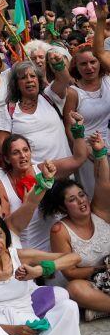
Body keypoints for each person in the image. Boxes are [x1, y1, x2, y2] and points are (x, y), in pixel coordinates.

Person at [43, 133, 110, 321]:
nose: (81, 201)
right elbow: (70, 273)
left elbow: (104, 183)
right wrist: (101, 269)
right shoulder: (60, 230)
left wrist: (100, 154)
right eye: (72, 199)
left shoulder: (99, 212)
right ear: (63, 207)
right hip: (89, 283)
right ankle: (100, 305)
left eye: (81, 195)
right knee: (74, 289)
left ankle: (100, 309)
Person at [0, 119, 89, 251]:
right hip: (27, 250)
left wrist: (78, 130)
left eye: (25, 150)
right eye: (16, 153)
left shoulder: (44, 169)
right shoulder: (1, 185)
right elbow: (4, 226)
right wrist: (28, 205)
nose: (23, 155)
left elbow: (79, 158)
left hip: (59, 241)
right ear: (6, 158)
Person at [0, 59, 71, 163]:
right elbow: (2, 140)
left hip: (63, 169)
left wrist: (59, 64)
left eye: (33, 76)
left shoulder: (50, 96)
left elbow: (63, 80)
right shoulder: (10, 108)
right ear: (16, 84)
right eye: (23, 77)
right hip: (33, 174)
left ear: (39, 80)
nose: (29, 80)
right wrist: (17, 163)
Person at [63, 45, 110, 196]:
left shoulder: (108, 81)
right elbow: (69, 128)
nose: (89, 67)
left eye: (93, 62)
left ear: (100, 62)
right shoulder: (73, 93)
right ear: (76, 66)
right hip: (89, 153)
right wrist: (84, 151)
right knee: (95, 196)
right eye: (83, 64)